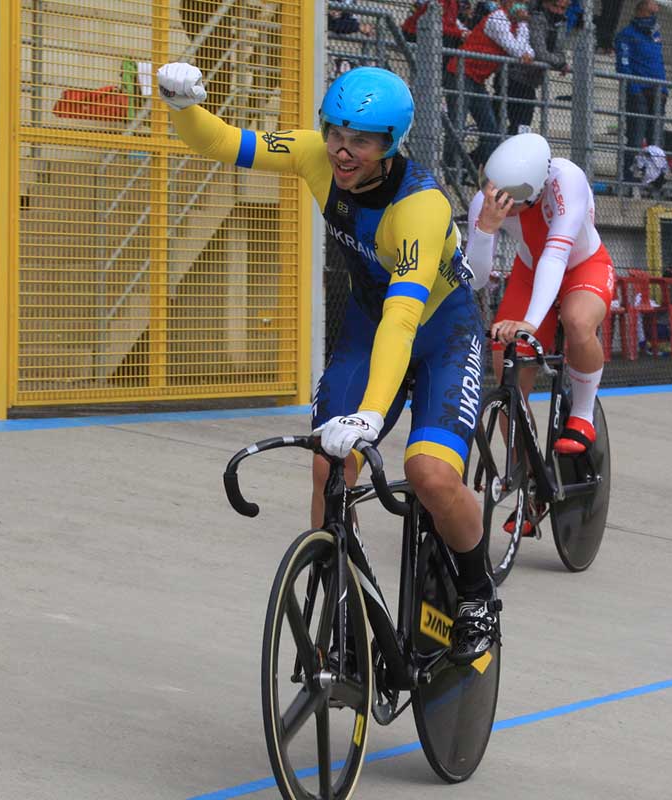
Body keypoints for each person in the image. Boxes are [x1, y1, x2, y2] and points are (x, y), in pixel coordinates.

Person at [157, 63, 499, 664]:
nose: (343, 151)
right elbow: (225, 144)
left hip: (438, 331)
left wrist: (370, 415)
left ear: (391, 144)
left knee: (431, 474)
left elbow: (404, 317)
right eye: (335, 132)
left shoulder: (420, 206)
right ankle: (338, 605)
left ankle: (477, 596)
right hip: (370, 328)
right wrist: (181, 105)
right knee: (328, 468)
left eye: (362, 140)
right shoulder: (317, 153)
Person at [464, 133, 614, 479]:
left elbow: (556, 254)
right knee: (509, 385)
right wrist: (486, 229)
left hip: (583, 265)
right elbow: (477, 279)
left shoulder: (567, 179)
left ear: (534, 193)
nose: (498, 203)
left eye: (510, 201)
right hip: (530, 272)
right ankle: (529, 481)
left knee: (577, 321)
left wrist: (530, 322)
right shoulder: (487, 201)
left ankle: (582, 412)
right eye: (492, 192)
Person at [445, 0, 535, 168]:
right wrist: (523, 25)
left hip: (476, 79)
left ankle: (481, 170)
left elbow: (528, 51)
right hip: (460, 73)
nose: (521, 5)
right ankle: (449, 169)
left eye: (524, 2)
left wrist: (522, 28)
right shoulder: (497, 19)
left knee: (490, 130)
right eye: (517, 1)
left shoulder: (516, 24)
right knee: (457, 125)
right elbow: (515, 50)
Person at [614, 0, 666, 186]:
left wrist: (664, 89)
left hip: (658, 91)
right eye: (652, 14)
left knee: (656, 138)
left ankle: (656, 177)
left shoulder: (655, 34)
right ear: (642, 12)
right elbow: (623, 65)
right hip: (639, 91)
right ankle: (628, 177)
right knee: (636, 136)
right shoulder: (626, 35)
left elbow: (659, 63)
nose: (655, 18)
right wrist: (634, 89)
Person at [506, 0, 571, 136]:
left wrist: (560, 61)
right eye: (555, 6)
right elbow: (540, 53)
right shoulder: (537, 18)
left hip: (529, 82)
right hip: (513, 78)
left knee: (522, 128)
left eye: (562, 8)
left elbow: (560, 52)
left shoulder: (560, 23)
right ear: (546, 4)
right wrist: (559, 63)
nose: (558, 11)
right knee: (508, 126)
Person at [401, 0, 470, 48]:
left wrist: (463, 33)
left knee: (461, 39)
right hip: (415, 33)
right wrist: (460, 33)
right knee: (450, 38)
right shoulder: (439, 2)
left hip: (431, 32)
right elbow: (436, 26)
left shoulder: (454, 3)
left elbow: (451, 24)